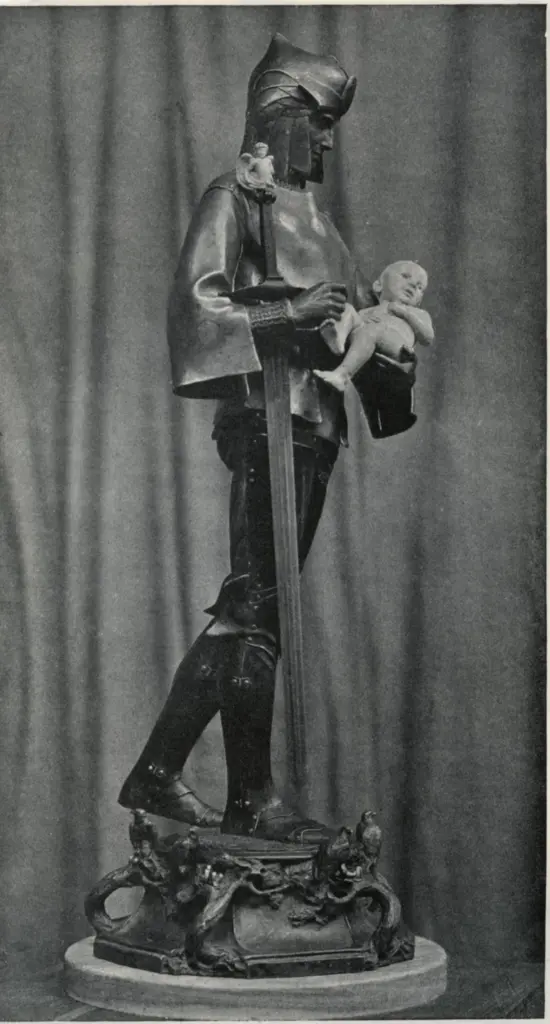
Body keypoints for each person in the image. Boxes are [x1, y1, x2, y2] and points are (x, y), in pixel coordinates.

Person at [118, 34, 417, 843]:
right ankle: (248, 796)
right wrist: (289, 312)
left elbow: (353, 328)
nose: (326, 143)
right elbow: (196, 306)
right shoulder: (238, 197)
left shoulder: (318, 218)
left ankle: (159, 771)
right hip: (265, 419)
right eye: (318, 124)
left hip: (314, 425)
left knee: (257, 606)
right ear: (279, 116)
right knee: (257, 605)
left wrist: (391, 352)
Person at [315, 261, 434, 392]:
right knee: (348, 310)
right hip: (366, 336)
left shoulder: (418, 313)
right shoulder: (370, 310)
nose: (413, 285)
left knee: (372, 330)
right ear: (378, 286)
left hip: (396, 347)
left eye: (420, 287)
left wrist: (404, 313)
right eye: (405, 276)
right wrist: (362, 319)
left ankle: (342, 375)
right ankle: (338, 339)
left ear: (419, 301)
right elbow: (358, 321)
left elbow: (428, 337)